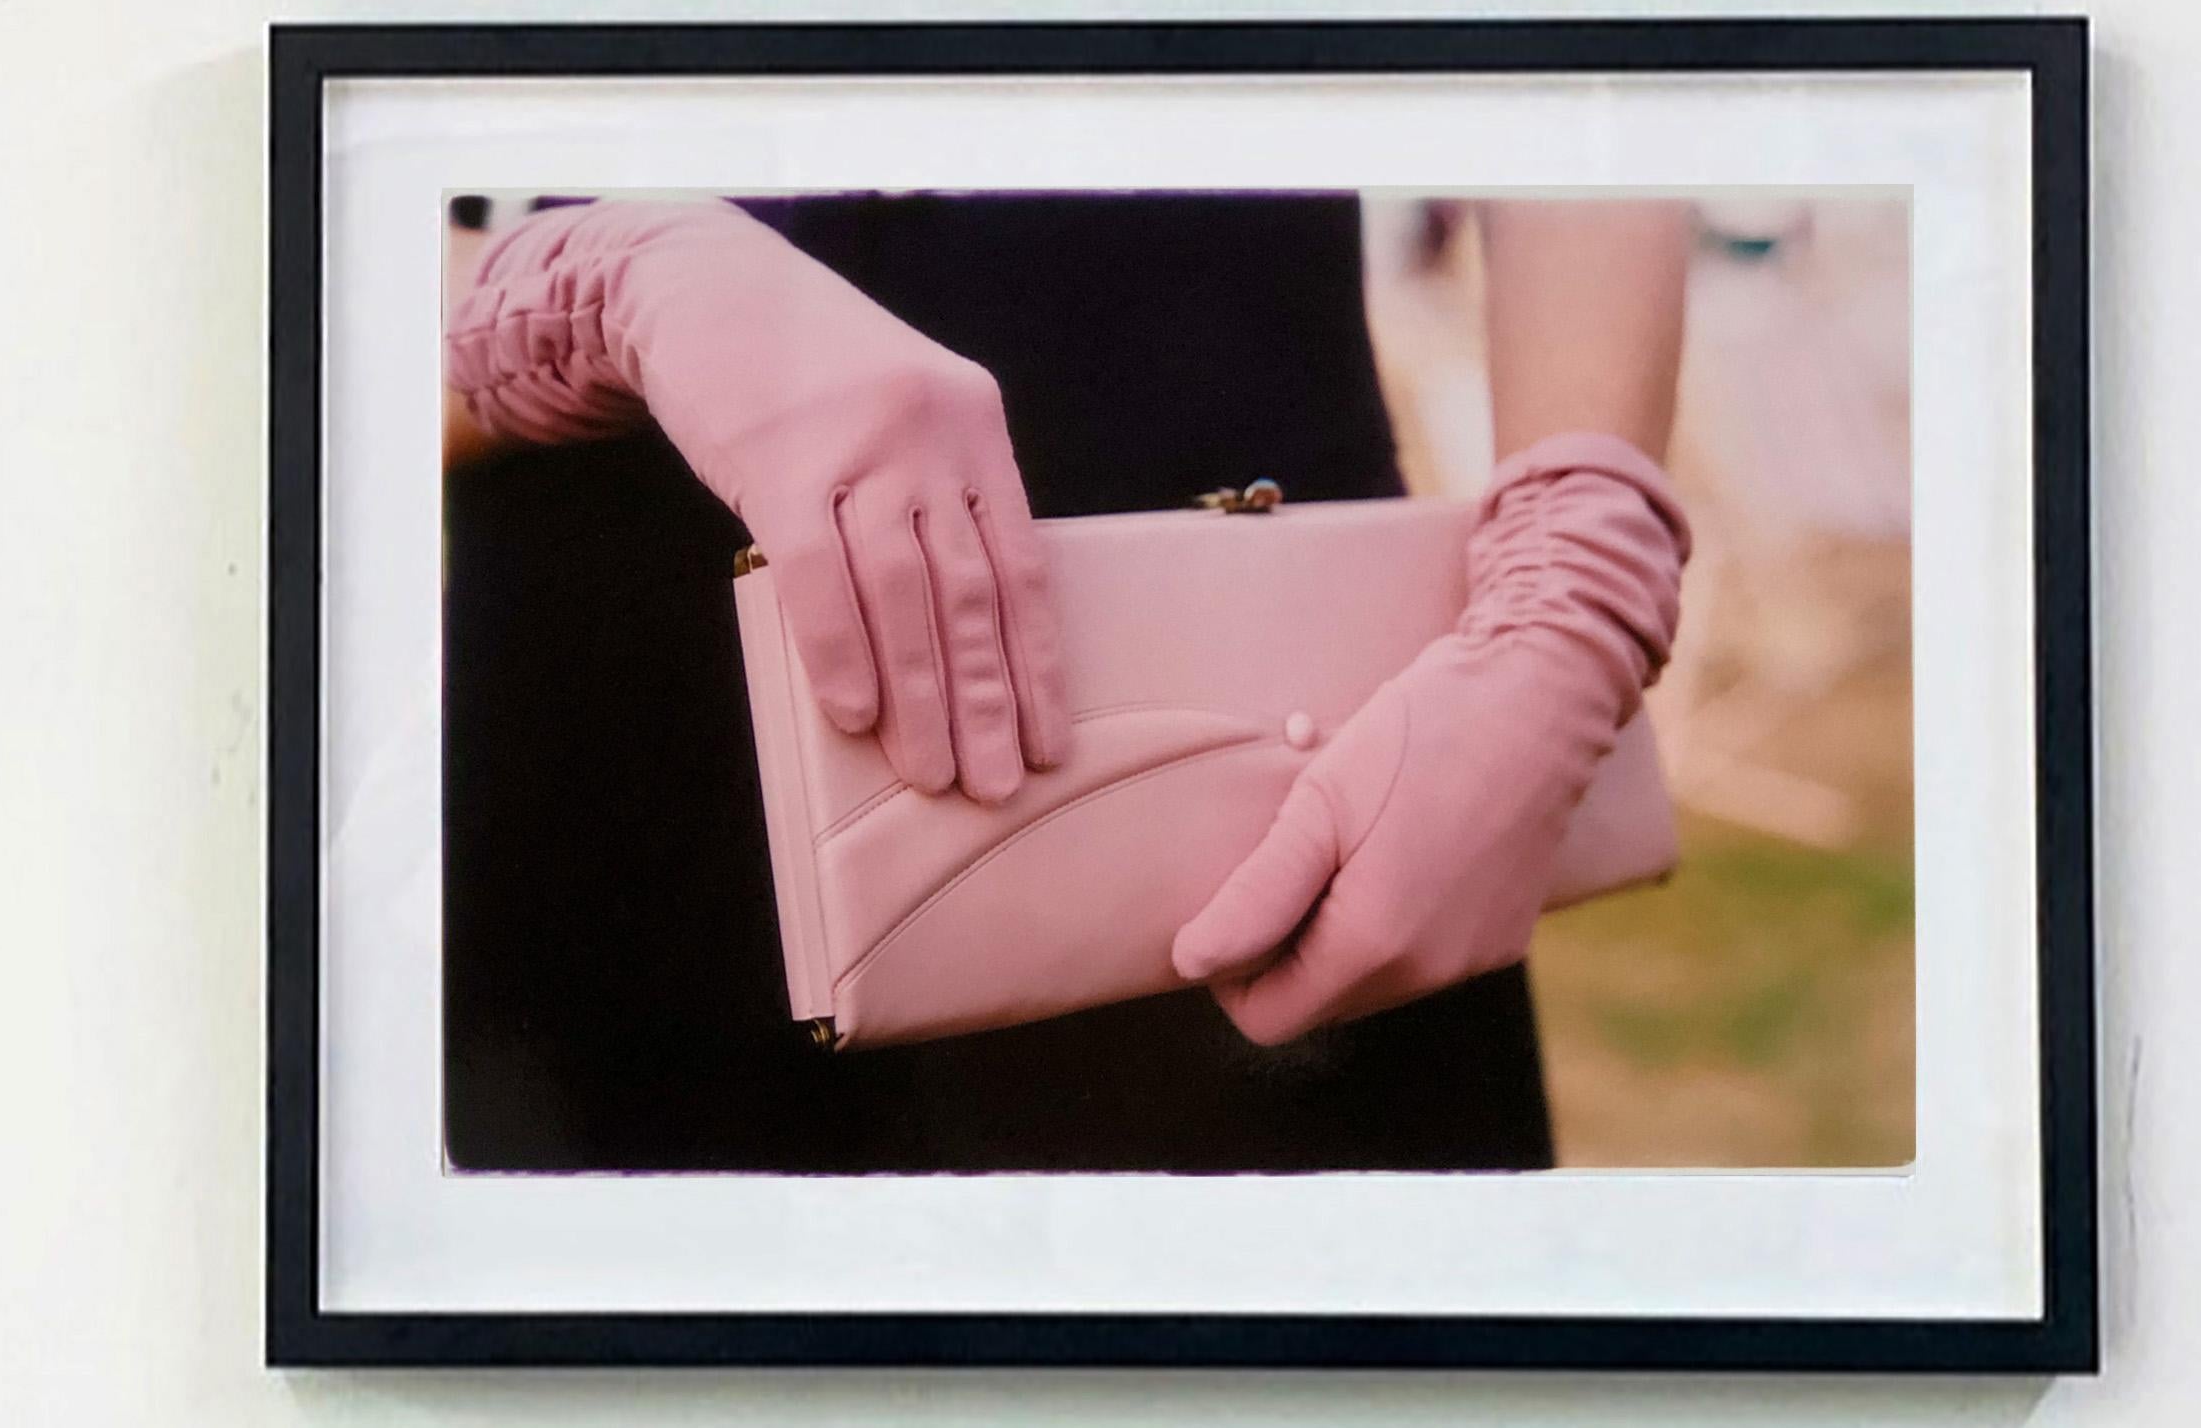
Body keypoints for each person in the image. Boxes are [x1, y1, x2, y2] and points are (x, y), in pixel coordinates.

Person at [440, 191, 1690, 1171]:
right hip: (616, 724)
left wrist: (1579, 572)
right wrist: (589, 288)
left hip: (1265, 683)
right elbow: (281, 229)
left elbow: (1586, 40)